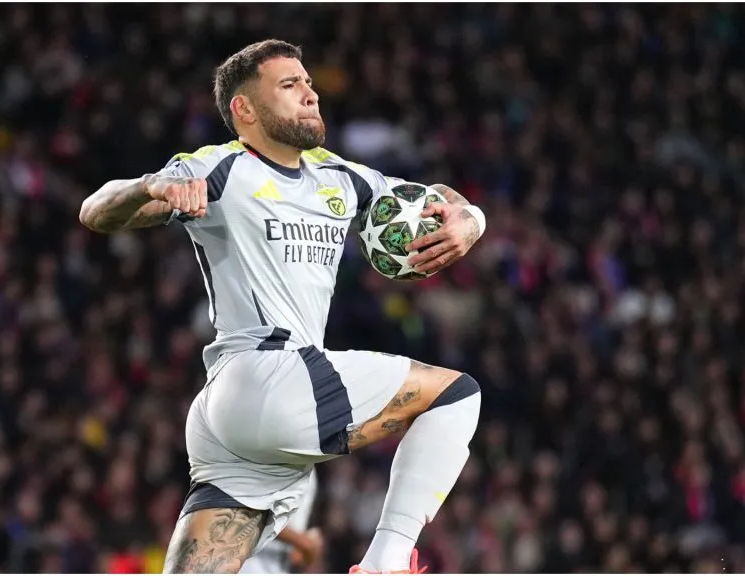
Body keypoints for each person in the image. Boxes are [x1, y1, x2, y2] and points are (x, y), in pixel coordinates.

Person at [79, 39, 484, 574]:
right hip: (268, 372)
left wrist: (470, 220)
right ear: (244, 110)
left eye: (309, 83)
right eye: (289, 86)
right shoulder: (220, 168)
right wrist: (149, 187)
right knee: (455, 395)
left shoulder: (342, 178)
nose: (310, 94)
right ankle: (386, 561)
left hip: (232, 418)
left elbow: (439, 200)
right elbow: (95, 210)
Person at [239, 469, 323, 574]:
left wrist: (305, 548)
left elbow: (298, 552)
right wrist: (302, 542)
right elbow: (247, 512)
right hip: (247, 563)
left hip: (277, 566)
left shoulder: (310, 473)